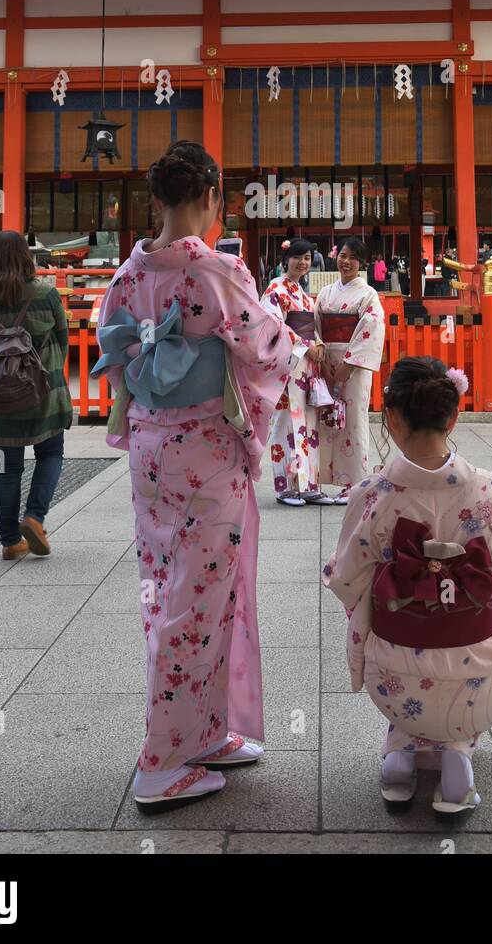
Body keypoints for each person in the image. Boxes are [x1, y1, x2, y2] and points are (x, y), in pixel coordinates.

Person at [93, 141, 302, 812]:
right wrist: (303, 349)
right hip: (206, 452)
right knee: (192, 601)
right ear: (213, 196)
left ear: (156, 200)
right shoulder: (217, 272)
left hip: (153, 450)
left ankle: (203, 731)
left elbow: (115, 349)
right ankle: (160, 759)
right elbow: (270, 345)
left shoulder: (128, 276)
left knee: (174, 590)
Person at [323, 357, 492, 817]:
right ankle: (456, 760)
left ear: (393, 420)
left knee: (396, 652)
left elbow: (344, 578)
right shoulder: (490, 490)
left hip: (393, 676)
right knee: (467, 671)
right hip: (478, 675)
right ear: (453, 417)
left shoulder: (373, 494)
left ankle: (400, 760)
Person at [0, 231, 72, 561]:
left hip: (1, 398)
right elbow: (62, 338)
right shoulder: (46, 294)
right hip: (43, 392)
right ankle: (34, 518)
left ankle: (11, 541)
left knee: (6, 468)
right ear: (26, 257)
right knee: (51, 453)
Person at [315, 237, 385, 503]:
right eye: (343, 256)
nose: (346, 262)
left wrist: (348, 365)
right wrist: (320, 359)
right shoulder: (325, 293)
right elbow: (315, 327)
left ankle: (355, 483)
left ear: (361, 263)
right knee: (323, 420)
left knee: (353, 419)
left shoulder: (368, 295)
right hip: (324, 362)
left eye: (353, 258)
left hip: (353, 366)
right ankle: (318, 478)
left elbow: (372, 327)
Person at [260, 236, 329, 507]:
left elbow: (313, 326)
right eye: (297, 257)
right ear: (285, 260)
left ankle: (308, 485)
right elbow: (274, 324)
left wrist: (319, 344)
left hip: (307, 366)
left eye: (307, 259)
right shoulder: (275, 289)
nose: (302, 263)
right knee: (286, 424)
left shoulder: (302, 293)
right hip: (289, 365)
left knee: (308, 424)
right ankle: (285, 488)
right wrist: (304, 345)